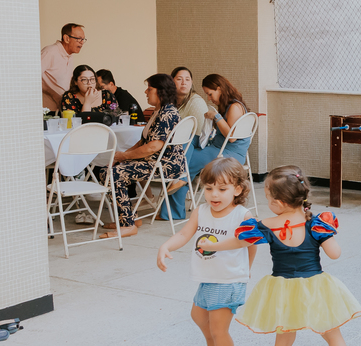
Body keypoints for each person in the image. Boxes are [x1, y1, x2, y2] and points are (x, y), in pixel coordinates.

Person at [199, 166, 361, 346]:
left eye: (268, 197)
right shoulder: (315, 223)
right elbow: (334, 254)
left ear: (279, 202)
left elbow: (239, 242)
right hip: (315, 286)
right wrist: (328, 233)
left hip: (283, 289)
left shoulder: (266, 225)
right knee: (333, 334)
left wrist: (211, 245)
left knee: (283, 341)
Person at [156, 158, 256, 346]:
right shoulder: (201, 211)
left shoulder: (242, 216)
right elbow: (183, 235)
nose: (214, 195)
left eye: (222, 189)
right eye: (209, 188)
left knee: (219, 328)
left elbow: (251, 244)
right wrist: (165, 247)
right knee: (199, 315)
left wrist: (244, 271)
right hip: (208, 278)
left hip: (229, 280)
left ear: (237, 189)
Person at [94, 73, 187, 238]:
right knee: (105, 170)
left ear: (160, 91)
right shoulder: (159, 111)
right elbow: (143, 141)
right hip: (156, 161)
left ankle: (128, 225)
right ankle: (129, 218)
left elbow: (153, 146)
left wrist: (124, 157)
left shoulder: (167, 113)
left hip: (165, 164)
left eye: (149, 89)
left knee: (114, 174)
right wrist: (122, 156)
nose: (146, 92)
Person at [166, 74, 250, 220]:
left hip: (227, 153)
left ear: (219, 89)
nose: (209, 98)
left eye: (210, 94)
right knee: (188, 144)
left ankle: (174, 205)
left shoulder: (235, 107)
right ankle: (181, 180)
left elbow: (231, 137)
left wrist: (216, 117)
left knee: (184, 161)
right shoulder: (231, 105)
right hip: (221, 149)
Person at [160, 66, 210, 221]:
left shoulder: (195, 101)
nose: (184, 83)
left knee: (181, 161)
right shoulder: (169, 101)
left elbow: (199, 131)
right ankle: (169, 210)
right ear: (172, 80)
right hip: (174, 142)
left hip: (194, 142)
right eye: (179, 79)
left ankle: (171, 212)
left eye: (187, 79)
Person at [41, 23, 86, 110]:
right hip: (48, 110)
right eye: (78, 39)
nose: (82, 42)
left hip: (63, 108)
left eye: (83, 39)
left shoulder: (69, 55)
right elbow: (31, 78)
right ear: (66, 38)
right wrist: (52, 93)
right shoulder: (50, 52)